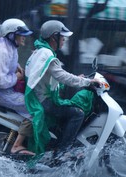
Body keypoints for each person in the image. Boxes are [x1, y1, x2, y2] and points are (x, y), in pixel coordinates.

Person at [24, 20, 101, 159]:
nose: (64, 40)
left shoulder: (40, 51)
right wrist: (87, 82)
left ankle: (58, 143)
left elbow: (55, 76)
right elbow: (63, 76)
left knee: (68, 107)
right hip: (44, 101)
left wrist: (77, 78)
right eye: (63, 36)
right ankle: (63, 151)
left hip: (37, 98)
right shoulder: (47, 54)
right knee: (78, 113)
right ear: (54, 37)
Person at [0, 18, 35, 156]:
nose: (24, 37)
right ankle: (16, 145)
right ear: (11, 35)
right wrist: (16, 77)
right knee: (34, 109)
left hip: (5, 91)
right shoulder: (2, 52)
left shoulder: (10, 48)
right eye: (21, 34)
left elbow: (12, 65)